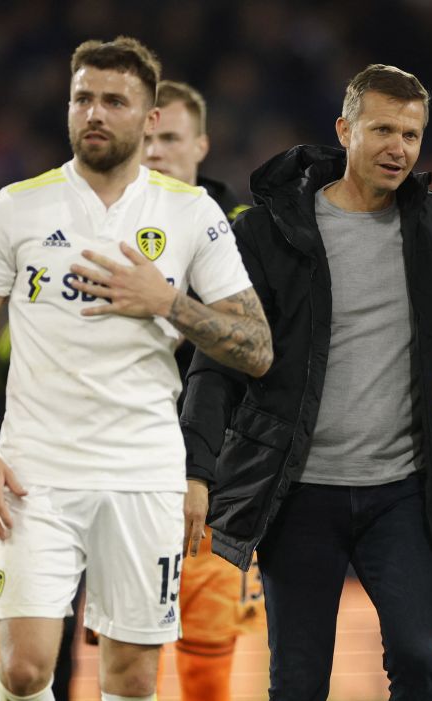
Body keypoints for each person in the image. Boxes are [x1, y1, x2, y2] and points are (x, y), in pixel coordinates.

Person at [0, 36, 272, 701]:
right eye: (83, 98)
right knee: (27, 667)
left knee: (130, 675)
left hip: (143, 470)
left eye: (114, 100)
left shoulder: (190, 213)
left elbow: (257, 346)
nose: (94, 112)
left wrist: (167, 301)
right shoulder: (16, 207)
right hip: (37, 469)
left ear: (150, 119)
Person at [181, 64, 432, 700]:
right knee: (298, 681)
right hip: (298, 494)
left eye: (411, 134)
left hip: (403, 492)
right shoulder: (267, 234)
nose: (398, 147)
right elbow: (217, 362)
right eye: (382, 129)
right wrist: (195, 471)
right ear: (344, 130)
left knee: (420, 661)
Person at [145, 78, 265, 701]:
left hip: (219, 481)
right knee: (130, 655)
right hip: (128, 470)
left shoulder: (242, 238)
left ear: (201, 145)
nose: (156, 151)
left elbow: (256, 356)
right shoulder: (104, 233)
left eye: (170, 138)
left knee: (206, 659)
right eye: (147, 139)